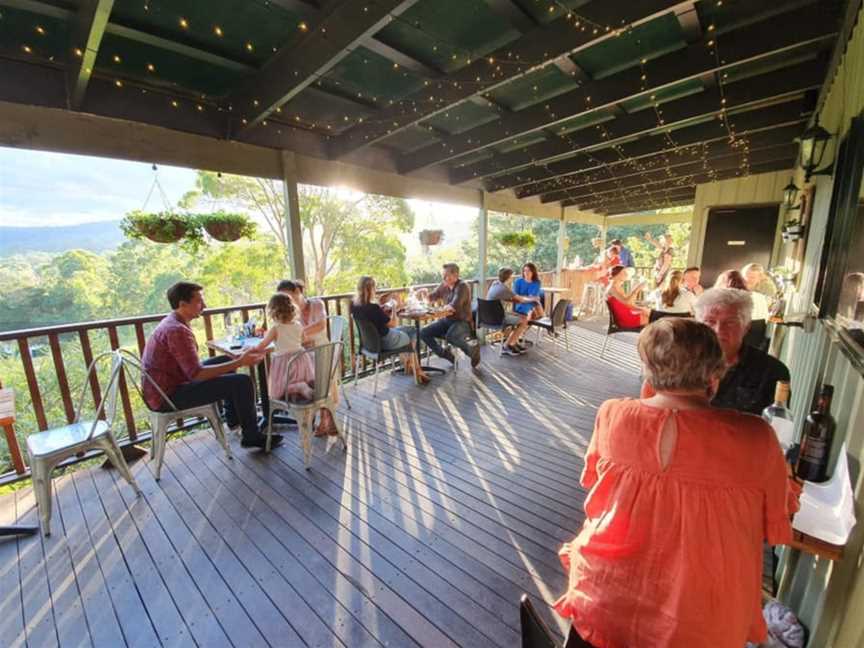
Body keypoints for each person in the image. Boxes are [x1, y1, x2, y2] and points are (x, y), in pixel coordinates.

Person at [554, 318, 795, 648]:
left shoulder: (613, 414)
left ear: (648, 366)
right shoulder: (755, 437)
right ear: (716, 372)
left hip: (604, 596)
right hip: (698, 622)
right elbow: (777, 518)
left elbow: (596, 482)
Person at [141, 281, 281, 450]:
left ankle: (234, 420)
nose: (204, 305)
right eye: (199, 301)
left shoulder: (173, 322)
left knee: (224, 361)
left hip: (169, 385)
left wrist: (235, 361)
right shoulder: (176, 330)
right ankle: (251, 436)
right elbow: (196, 374)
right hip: (168, 396)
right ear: (182, 304)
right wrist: (240, 361)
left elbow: (192, 370)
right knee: (242, 381)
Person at [276, 278, 338, 434]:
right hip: (304, 354)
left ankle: (324, 417)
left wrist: (298, 336)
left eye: (288, 296)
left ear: (298, 292)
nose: (285, 301)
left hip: (323, 350)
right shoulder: (288, 312)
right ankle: (316, 414)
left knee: (319, 369)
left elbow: (321, 325)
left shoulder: (317, 304)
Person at [350, 276, 429, 384]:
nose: (376, 290)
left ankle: (410, 366)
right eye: (375, 288)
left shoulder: (354, 305)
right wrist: (393, 308)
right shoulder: (373, 308)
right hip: (386, 341)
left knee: (409, 329)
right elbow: (393, 324)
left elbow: (372, 317)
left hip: (369, 344)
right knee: (412, 332)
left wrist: (381, 310)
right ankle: (415, 368)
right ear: (370, 289)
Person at [252, 293, 315, 403]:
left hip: (284, 363)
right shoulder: (298, 325)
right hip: (300, 359)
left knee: (280, 388)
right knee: (295, 381)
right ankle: (300, 389)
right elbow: (305, 340)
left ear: (273, 312)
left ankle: (299, 387)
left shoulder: (276, 328)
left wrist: (251, 348)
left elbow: (262, 345)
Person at [418, 263, 481, 368]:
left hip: (462, 321)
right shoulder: (444, 285)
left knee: (450, 336)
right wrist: (424, 292)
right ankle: (445, 354)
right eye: (443, 275)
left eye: (446, 275)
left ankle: (473, 351)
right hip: (447, 320)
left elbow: (454, 306)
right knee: (424, 332)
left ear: (455, 275)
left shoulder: (462, 286)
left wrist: (443, 308)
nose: (444, 278)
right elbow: (430, 299)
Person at [486, 267, 540, 356]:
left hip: (490, 315)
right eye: (511, 276)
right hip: (497, 318)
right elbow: (521, 300)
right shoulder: (504, 288)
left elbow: (509, 298)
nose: (512, 278)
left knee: (520, 315)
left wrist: (518, 300)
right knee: (524, 320)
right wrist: (533, 298)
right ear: (508, 277)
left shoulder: (495, 284)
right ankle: (507, 346)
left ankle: (513, 342)